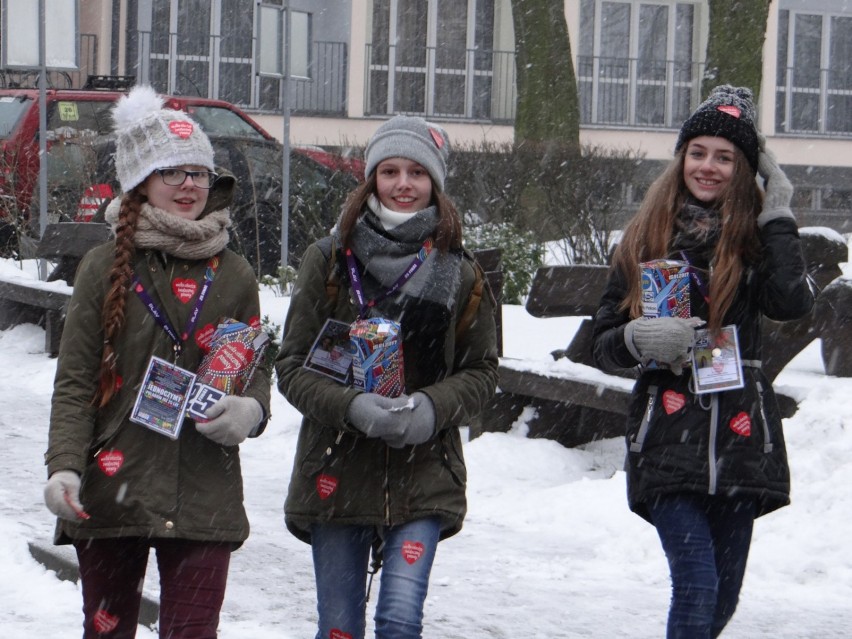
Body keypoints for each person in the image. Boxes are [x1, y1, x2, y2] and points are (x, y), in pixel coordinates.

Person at [43, 85, 271, 639]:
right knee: (108, 631)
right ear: (141, 182)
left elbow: (252, 364)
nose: (189, 184)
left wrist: (251, 411)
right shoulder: (103, 268)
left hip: (204, 490)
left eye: (198, 172)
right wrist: (65, 466)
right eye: (172, 172)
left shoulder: (235, 272)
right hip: (114, 480)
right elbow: (75, 380)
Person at [591, 85, 815, 638]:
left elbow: (792, 302)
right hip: (668, 439)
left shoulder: (757, 241)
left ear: (745, 169)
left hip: (741, 442)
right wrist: (640, 338)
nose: (708, 167)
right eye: (698, 152)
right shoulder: (646, 237)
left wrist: (779, 209)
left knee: (721, 596)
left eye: (725, 157)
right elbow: (602, 342)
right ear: (681, 157)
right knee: (695, 583)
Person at [275, 114, 499, 639]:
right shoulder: (329, 260)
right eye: (390, 170)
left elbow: (482, 371)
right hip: (336, 471)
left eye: (417, 172)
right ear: (371, 178)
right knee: (339, 629)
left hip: (424, 472)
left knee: (400, 622)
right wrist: (351, 406)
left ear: (435, 183)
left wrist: (431, 408)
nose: (403, 184)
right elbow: (291, 367)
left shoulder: (460, 271)